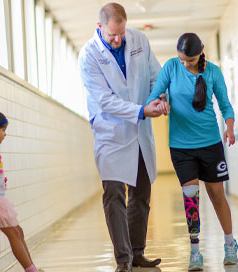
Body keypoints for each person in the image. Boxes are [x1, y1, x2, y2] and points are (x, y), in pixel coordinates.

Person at [78, 3, 164, 272]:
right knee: (114, 194)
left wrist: (159, 99)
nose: (118, 39)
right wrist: (141, 110)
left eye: (121, 33)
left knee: (141, 192)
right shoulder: (88, 55)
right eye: (112, 35)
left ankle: (138, 252)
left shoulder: (139, 39)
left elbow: (156, 76)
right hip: (110, 132)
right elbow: (105, 101)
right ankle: (123, 260)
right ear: (99, 26)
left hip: (139, 132)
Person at [146, 33, 238, 271]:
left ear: (201, 52)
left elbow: (226, 105)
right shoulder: (171, 67)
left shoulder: (213, 72)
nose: (185, 64)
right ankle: (195, 251)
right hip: (181, 146)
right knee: (191, 197)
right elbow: (153, 95)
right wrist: (162, 101)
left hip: (210, 143)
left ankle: (230, 244)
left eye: (190, 60)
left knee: (217, 195)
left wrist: (229, 128)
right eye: (182, 59)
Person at [0, 109, 42, 272]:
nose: (5, 134)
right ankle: (30, 270)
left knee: (18, 232)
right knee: (13, 234)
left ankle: (33, 268)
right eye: (3, 130)